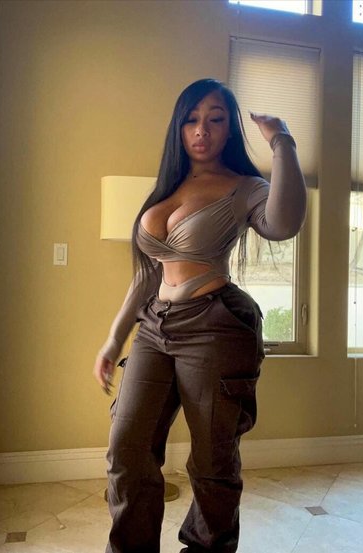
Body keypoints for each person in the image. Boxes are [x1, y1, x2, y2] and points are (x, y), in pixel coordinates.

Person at [93, 78, 306, 553]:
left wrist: (282, 141)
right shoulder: (167, 188)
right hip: (154, 328)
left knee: (212, 459)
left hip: (215, 327)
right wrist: (113, 339)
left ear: (230, 129)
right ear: (178, 127)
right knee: (127, 447)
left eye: (215, 119)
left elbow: (284, 224)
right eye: (191, 119)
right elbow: (149, 272)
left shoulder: (244, 188)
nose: (201, 130)